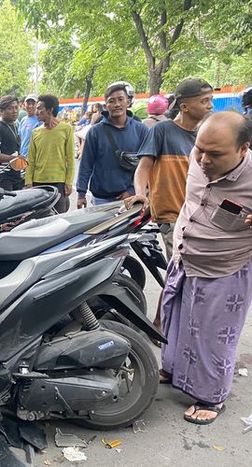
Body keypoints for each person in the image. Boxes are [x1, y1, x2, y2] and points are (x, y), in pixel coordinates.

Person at [159, 112, 252, 425]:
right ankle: (174, 371)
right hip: (186, 256)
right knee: (177, 320)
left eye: (215, 154)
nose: (203, 159)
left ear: (243, 149)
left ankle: (212, 395)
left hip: (224, 265)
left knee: (214, 335)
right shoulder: (197, 157)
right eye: (200, 149)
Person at [125, 78, 214, 260]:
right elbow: (143, 168)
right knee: (182, 270)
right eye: (204, 101)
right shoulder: (162, 131)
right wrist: (141, 193)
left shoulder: (205, 135)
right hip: (173, 216)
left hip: (200, 216)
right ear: (184, 107)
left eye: (210, 100)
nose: (210, 106)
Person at [76, 83, 148, 207]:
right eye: (111, 101)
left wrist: (132, 190)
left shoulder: (141, 130)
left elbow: (147, 165)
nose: (117, 104)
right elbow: (86, 164)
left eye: (121, 99)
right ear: (106, 105)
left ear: (128, 102)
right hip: (100, 199)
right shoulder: (95, 132)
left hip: (131, 198)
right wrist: (81, 194)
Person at [25, 94, 75, 213]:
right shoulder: (35, 132)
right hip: (38, 183)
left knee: (58, 219)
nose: (36, 111)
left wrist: (68, 182)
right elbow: (30, 160)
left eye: (39, 108)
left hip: (59, 183)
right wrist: (28, 182)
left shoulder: (66, 129)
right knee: (39, 218)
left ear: (50, 109)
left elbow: (70, 159)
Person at [0, 95, 25, 190]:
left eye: (16, 107)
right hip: (2, 176)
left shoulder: (15, 125)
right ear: (1, 111)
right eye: (10, 108)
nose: (14, 111)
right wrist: (14, 158)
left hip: (15, 174)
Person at [18, 95, 42, 159]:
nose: (30, 106)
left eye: (33, 103)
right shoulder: (23, 120)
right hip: (23, 157)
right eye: (28, 103)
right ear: (24, 104)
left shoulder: (40, 120)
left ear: (37, 105)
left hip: (34, 157)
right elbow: (20, 139)